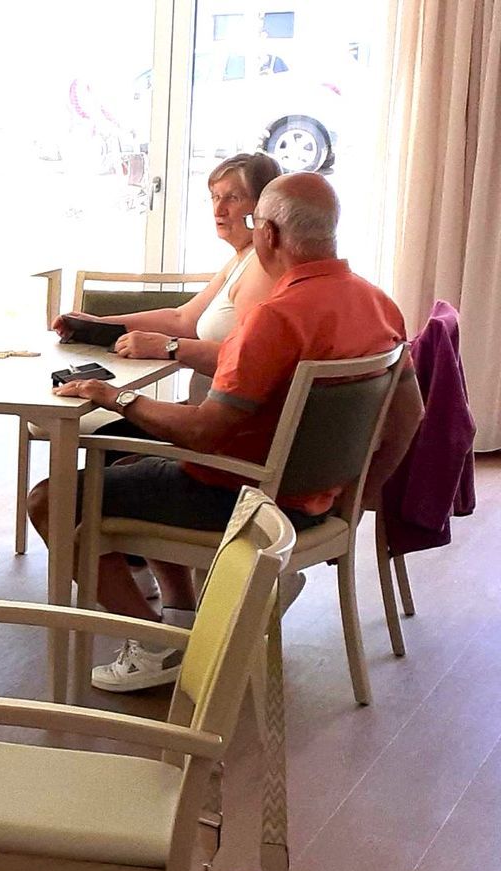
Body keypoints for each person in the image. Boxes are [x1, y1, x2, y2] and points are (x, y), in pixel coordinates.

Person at [33, 173, 421, 692]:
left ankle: (153, 644)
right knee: (134, 466)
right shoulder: (378, 303)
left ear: (269, 234)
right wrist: (355, 499)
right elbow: (409, 415)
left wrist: (114, 397)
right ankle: (181, 614)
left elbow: (203, 433)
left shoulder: (275, 318)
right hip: (314, 500)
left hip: (243, 498)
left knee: (50, 499)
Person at [53, 152, 284, 402]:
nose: (219, 209)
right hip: (201, 410)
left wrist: (168, 347)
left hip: (212, 420)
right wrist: (97, 325)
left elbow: (250, 361)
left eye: (233, 198)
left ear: (261, 207)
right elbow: (181, 319)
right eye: (215, 197)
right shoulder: (243, 258)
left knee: (88, 408)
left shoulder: (261, 267)